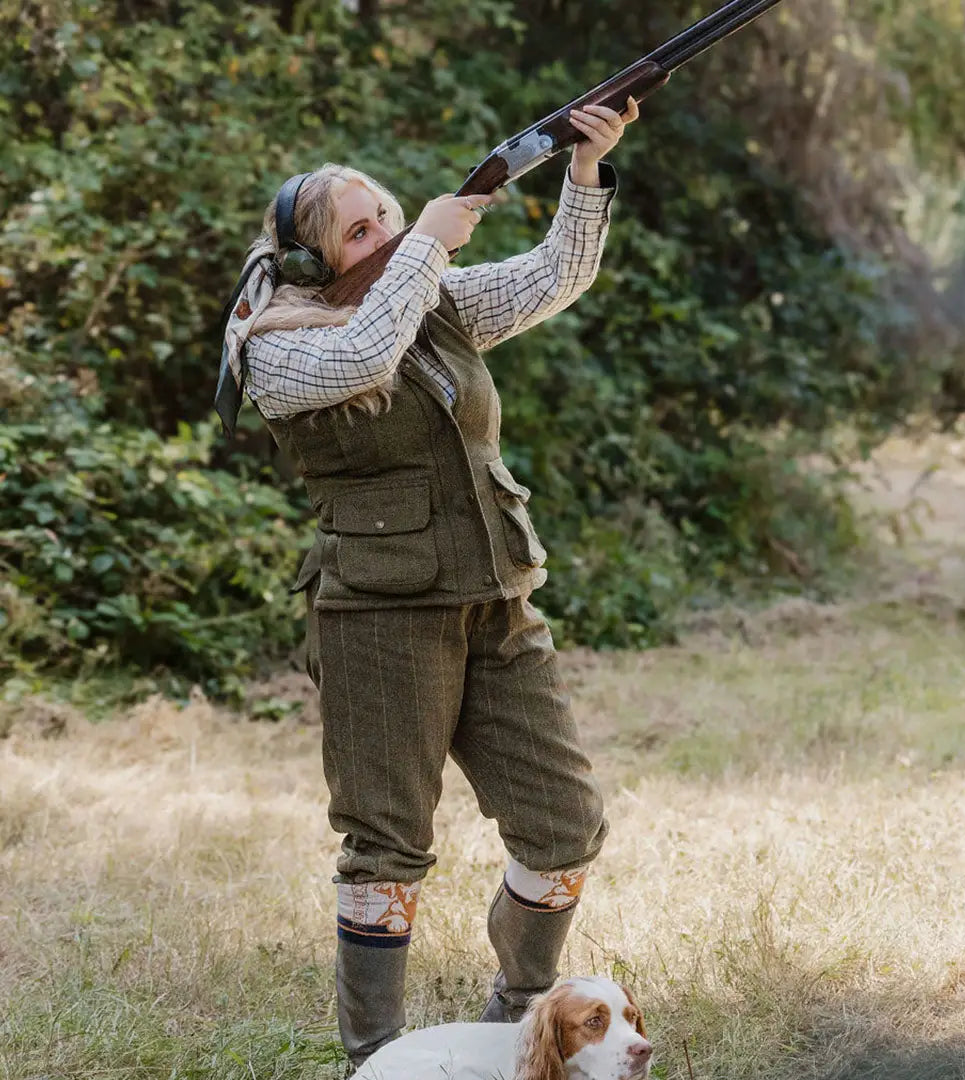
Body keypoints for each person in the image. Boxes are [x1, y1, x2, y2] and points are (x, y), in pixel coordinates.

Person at [219, 96, 640, 1070]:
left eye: (390, 217)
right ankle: (375, 1060)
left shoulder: (429, 301)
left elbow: (555, 276)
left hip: (494, 598)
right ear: (317, 262)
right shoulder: (276, 345)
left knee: (565, 826)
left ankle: (517, 1017)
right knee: (386, 850)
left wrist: (582, 172)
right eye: (359, 230)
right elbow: (361, 352)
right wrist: (433, 243)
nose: (388, 237)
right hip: (376, 617)